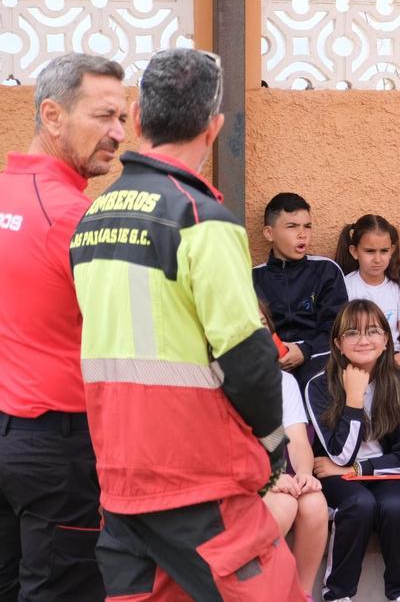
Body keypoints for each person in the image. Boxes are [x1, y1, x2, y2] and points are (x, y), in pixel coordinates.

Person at [70, 48, 302, 599]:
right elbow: (249, 356)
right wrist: (272, 451)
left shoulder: (91, 219)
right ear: (215, 126)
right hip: (197, 479)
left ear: (139, 118)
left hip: (120, 475)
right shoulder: (201, 219)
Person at [0, 52, 125, 602]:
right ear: (52, 115)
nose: (118, 133)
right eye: (103, 116)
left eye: (122, 118)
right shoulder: (75, 219)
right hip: (59, 451)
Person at [304, 299, 400, 602]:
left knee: (396, 507)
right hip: (334, 475)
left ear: (386, 339)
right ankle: (338, 594)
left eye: (372, 331)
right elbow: (339, 455)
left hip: (384, 471)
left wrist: (358, 470)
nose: (364, 340)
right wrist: (354, 399)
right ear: (337, 343)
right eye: (352, 333)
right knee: (359, 504)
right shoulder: (318, 386)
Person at [335, 213, 400, 491]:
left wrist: (399, 359)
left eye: (384, 251)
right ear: (354, 251)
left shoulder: (398, 288)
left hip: (394, 358)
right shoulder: (345, 285)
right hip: (358, 358)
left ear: (392, 251)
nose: (377, 259)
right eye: (369, 251)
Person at [257, 302, 328, 600]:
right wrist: (269, 476)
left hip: (273, 476)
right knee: (284, 505)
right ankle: (258, 592)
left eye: (262, 323)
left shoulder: (283, 382)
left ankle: (301, 594)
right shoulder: (218, 378)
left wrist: (302, 474)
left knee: (313, 501)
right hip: (236, 479)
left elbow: (295, 438)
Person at [254, 191, 350, 384]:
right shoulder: (252, 278)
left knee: (319, 377)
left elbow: (338, 328)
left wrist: (305, 350)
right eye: (292, 226)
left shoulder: (326, 270)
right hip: (271, 360)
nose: (302, 234)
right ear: (269, 233)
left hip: (319, 358)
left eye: (307, 226)